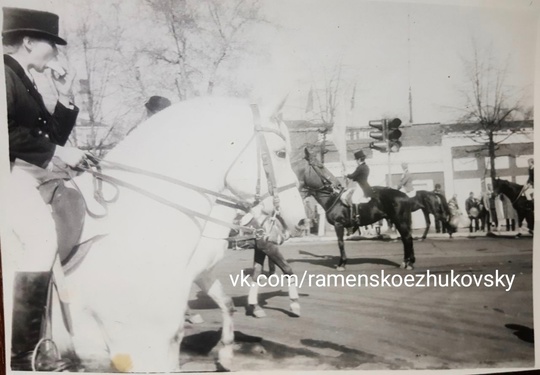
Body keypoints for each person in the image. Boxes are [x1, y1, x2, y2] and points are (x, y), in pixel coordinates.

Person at [2, 7, 86, 368]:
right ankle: (22, 354)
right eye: (51, 43)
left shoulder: (22, 78)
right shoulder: (4, 75)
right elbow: (9, 133)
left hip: (21, 173)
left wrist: (65, 97)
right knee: (41, 238)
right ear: (29, 41)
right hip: (8, 177)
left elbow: (48, 137)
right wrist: (56, 152)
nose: (55, 52)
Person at [342, 150, 372, 223]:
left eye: (356, 160)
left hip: (361, 187)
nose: (356, 161)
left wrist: (346, 174)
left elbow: (353, 176)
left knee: (354, 199)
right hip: (363, 185)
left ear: (359, 159)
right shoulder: (365, 167)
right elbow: (357, 177)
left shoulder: (360, 167)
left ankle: (357, 216)